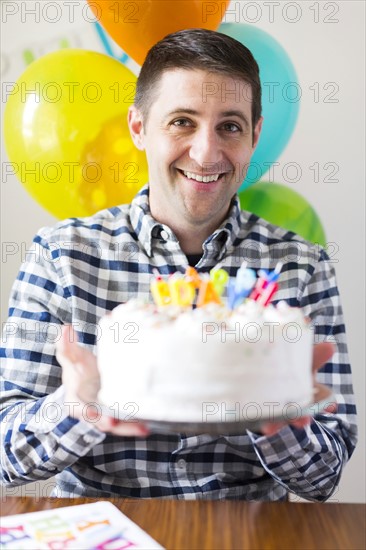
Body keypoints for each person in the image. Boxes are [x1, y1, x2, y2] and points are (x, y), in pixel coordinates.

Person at [0, 29, 357, 501]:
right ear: (138, 128)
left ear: (254, 135)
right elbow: (4, 457)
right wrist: (78, 406)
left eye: (229, 125)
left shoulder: (301, 266)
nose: (206, 153)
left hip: (246, 532)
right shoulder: (62, 256)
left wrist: (277, 418)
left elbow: (325, 477)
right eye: (182, 122)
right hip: (105, 527)